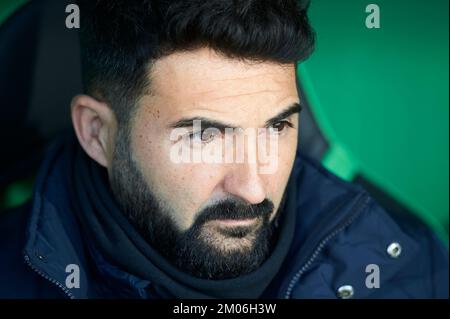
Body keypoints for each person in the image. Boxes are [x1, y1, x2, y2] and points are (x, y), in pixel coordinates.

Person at [0, 0, 447, 299]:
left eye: (277, 127)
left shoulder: (407, 271)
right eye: (202, 135)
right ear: (97, 133)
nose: (254, 190)